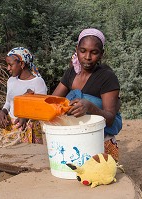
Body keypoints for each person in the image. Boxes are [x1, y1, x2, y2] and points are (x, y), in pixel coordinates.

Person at [52, 28, 122, 162]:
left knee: (98, 179)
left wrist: (91, 107)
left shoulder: (107, 77)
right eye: (83, 51)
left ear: (101, 54)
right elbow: (53, 102)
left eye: (94, 52)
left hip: (100, 142)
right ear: (77, 49)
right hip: (74, 141)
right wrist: (30, 101)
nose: (87, 57)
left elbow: (110, 119)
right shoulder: (70, 73)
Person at [0, 47, 48, 144]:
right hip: (11, 128)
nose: (8, 68)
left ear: (21, 64)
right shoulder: (11, 81)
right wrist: (3, 112)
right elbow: (8, 102)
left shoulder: (37, 82)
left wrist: (25, 116)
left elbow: (41, 108)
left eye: (10, 65)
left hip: (28, 128)